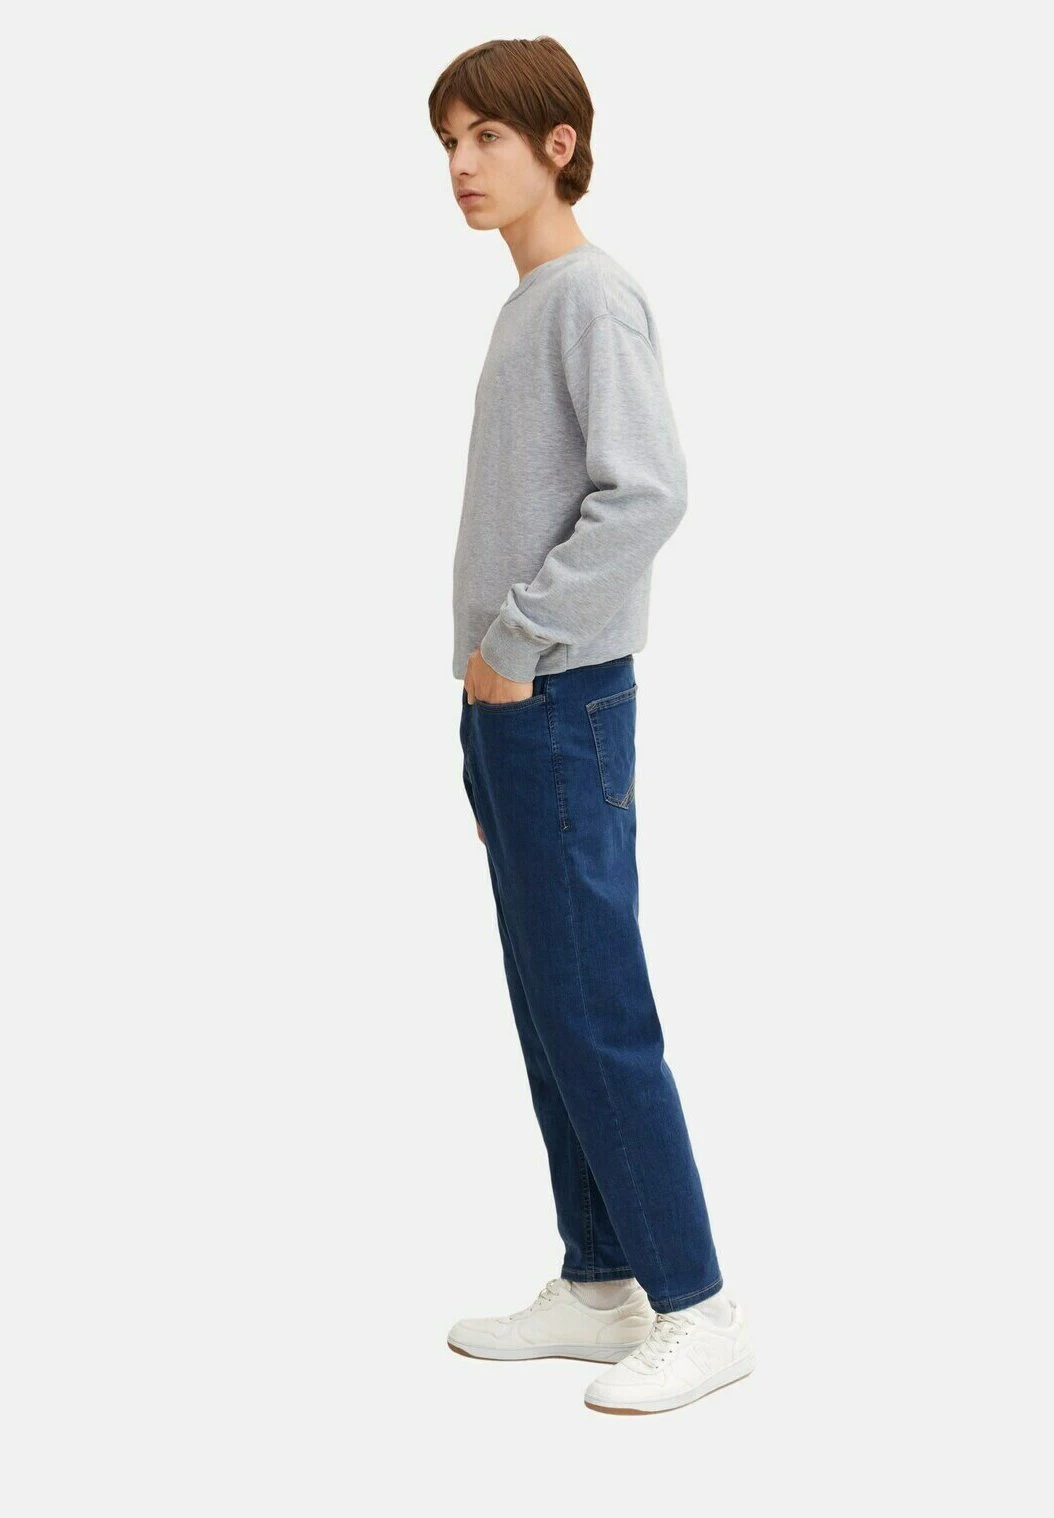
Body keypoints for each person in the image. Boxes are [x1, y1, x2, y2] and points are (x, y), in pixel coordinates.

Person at [430, 35, 756, 1416]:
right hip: (513, 708)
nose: (460, 166)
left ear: (558, 144)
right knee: (547, 998)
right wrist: (488, 683)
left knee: (594, 1007)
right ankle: (600, 1280)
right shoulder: (533, 301)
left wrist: (516, 643)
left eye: (487, 138)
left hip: (558, 698)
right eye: (448, 143)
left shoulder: (589, 298)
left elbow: (648, 491)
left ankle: (699, 1305)